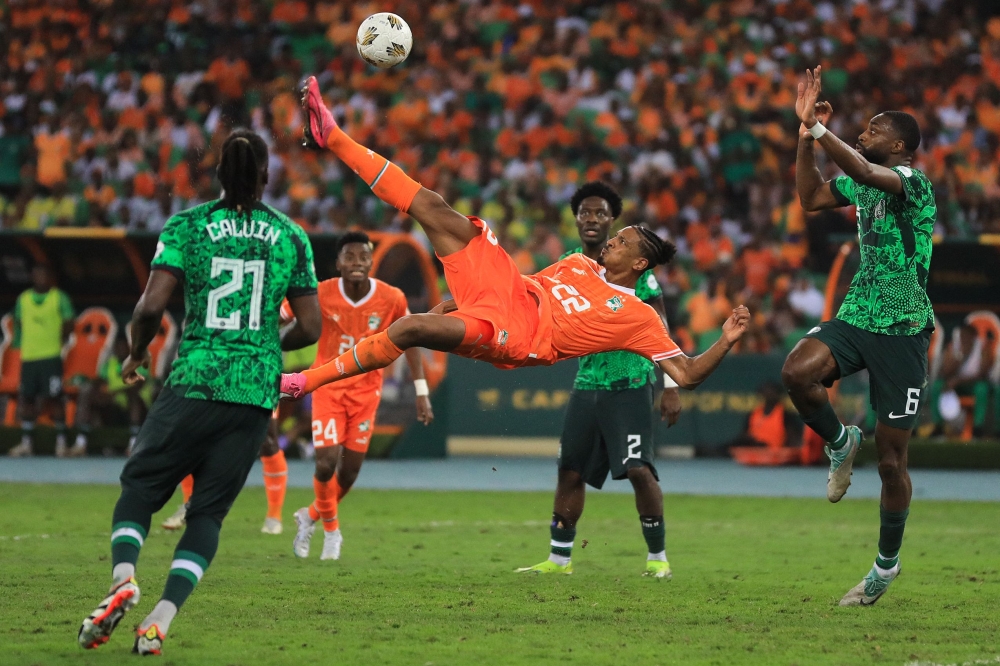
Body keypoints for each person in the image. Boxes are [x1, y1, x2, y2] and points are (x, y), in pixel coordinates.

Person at [282, 77, 748, 449]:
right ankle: (333, 136)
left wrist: (725, 341)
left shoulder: (639, 316)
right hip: (508, 291)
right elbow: (524, 284)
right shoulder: (577, 263)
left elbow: (685, 374)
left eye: (622, 241)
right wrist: (456, 300)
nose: (611, 242)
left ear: (640, 262)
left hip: (520, 338)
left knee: (410, 329)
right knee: (433, 206)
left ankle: (303, 382)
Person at [77, 129, 321, 656]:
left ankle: (123, 580)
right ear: (267, 176)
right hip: (253, 392)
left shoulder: (187, 226)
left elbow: (148, 308)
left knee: (140, 486)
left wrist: (138, 352)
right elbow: (311, 326)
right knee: (207, 514)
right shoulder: (291, 235)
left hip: (195, 378)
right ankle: (160, 620)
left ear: (216, 176)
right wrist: (264, 343)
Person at [782, 67, 936, 606]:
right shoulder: (865, 174)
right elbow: (811, 198)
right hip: (859, 312)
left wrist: (824, 133)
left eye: (873, 129)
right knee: (797, 372)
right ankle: (842, 441)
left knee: (893, 462)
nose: (863, 131)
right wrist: (805, 140)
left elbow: (870, 175)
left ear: (898, 144)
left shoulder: (913, 183)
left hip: (903, 329)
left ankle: (885, 566)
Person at [517, 181, 683, 578]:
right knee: (570, 469)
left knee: (639, 469)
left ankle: (657, 559)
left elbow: (660, 322)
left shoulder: (635, 264)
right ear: (576, 220)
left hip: (630, 378)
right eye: (584, 213)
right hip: (587, 380)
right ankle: (559, 561)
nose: (591, 219)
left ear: (612, 220)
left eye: (599, 213)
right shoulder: (572, 263)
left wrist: (671, 385)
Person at [289, 231, 435, 561]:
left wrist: (421, 391)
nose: (357, 263)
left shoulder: (392, 298)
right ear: (338, 263)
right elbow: (283, 313)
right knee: (325, 464)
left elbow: (410, 339)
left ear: (372, 262)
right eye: (350, 258)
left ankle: (309, 515)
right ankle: (331, 531)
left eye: (364, 258)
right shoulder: (321, 292)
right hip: (327, 388)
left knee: (350, 471)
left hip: (367, 393)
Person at [8, 264, 75, 457]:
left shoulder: (59, 298)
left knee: (54, 398)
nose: (41, 278)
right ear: (32, 276)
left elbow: (69, 322)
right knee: (27, 398)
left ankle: (61, 443)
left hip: (51, 357)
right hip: (29, 357)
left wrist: (59, 339)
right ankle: (26, 443)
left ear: (51, 277)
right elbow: (18, 322)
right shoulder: (24, 299)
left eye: (45, 274)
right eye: (37, 274)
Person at [728, 382, 800, 451]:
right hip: (753, 447)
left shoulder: (784, 414)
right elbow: (744, 434)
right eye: (766, 392)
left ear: (778, 394)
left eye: (771, 392)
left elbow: (792, 436)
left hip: (773, 450)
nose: (769, 395)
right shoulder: (754, 413)